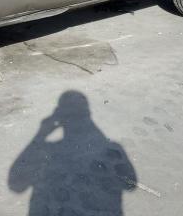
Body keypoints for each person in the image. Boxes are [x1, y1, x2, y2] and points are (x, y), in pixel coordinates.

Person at [9, 91, 137, 215]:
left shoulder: (49, 150)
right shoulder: (113, 147)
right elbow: (131, 184)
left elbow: (16, 185)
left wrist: (41, 133)